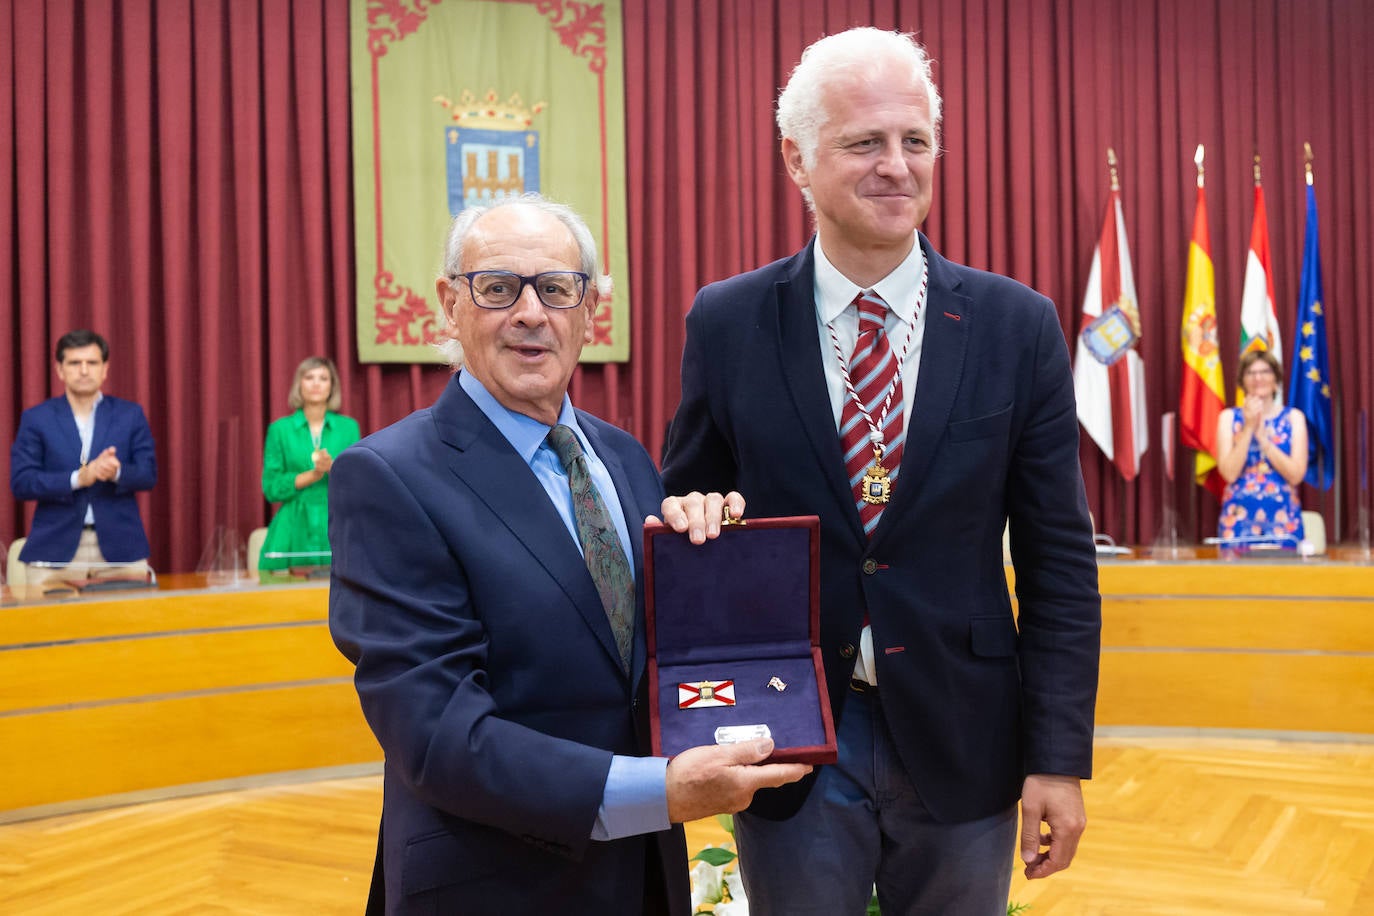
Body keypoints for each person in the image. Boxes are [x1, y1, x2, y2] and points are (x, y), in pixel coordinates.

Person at [660, 27, 1102, 914]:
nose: (897, 166)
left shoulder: (1019, 328)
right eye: (865, 142)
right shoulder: (728, 321)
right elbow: (686, 505)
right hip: (790, 737)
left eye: (916, 140)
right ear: (797, 159)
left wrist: (1057, 757)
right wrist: (690, 510)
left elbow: (1059, 562)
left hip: (966, 734)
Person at [327, 194, 810, 915]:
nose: (530, 313)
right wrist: (659, 791)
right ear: (449, 305)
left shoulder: (625, 460)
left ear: (587, 313)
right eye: (498, 288)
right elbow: (437, 735)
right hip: (491, 885)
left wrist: (715, 562)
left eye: (556, 288)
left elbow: (657, 663)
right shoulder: (388, 476)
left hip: (645, 877)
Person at [10, 329, 157, 585]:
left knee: (128, 623)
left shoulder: (129, 414)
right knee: (48, 624)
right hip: (54, 550)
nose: (84, 370)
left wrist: (116, 472)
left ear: (105, 369)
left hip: (119, 549)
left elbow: (148, 473)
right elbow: (22, 482)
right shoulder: (37, 418)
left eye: (92, 363)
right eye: (75, 363)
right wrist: (78, 478)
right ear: (60, 370)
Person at [258, 356, 360, 574]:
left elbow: (358, 483)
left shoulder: (348, 428)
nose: (316, 383)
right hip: (293, 525)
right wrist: (313, 475)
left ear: (332, 386)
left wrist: (334, 468)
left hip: (335, 522)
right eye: (309, 377)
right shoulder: (280, 430)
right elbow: (271, 488)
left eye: (323, 378)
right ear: (299, 384)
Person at [1216, 350, 1307, 549]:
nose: (1258, 378)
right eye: (1251, 372)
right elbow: (1229, 473)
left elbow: (1296, 475)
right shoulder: (1228, 418)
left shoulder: (1294, 418)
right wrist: (1249, 427)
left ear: (1276, 379)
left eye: (1265, 372)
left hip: (1284, 520)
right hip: (1238, 520)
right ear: (1242, 381)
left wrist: (1264, 440)